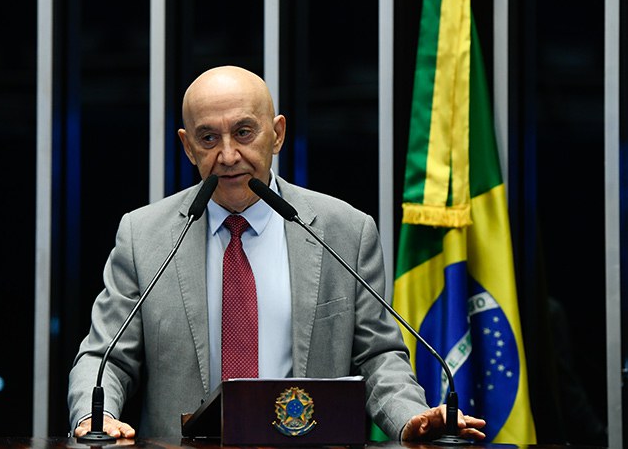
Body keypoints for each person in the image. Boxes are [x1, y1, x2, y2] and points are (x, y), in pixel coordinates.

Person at [68, 65, 485, 442]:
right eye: (208, 138)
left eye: (244, 133)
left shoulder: (344, 231)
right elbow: (105, 357)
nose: (228, 156)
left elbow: (378, 358)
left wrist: (410, 417)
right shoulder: (145, 236)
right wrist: (94, 415)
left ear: (278, 134)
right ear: (188, 146)